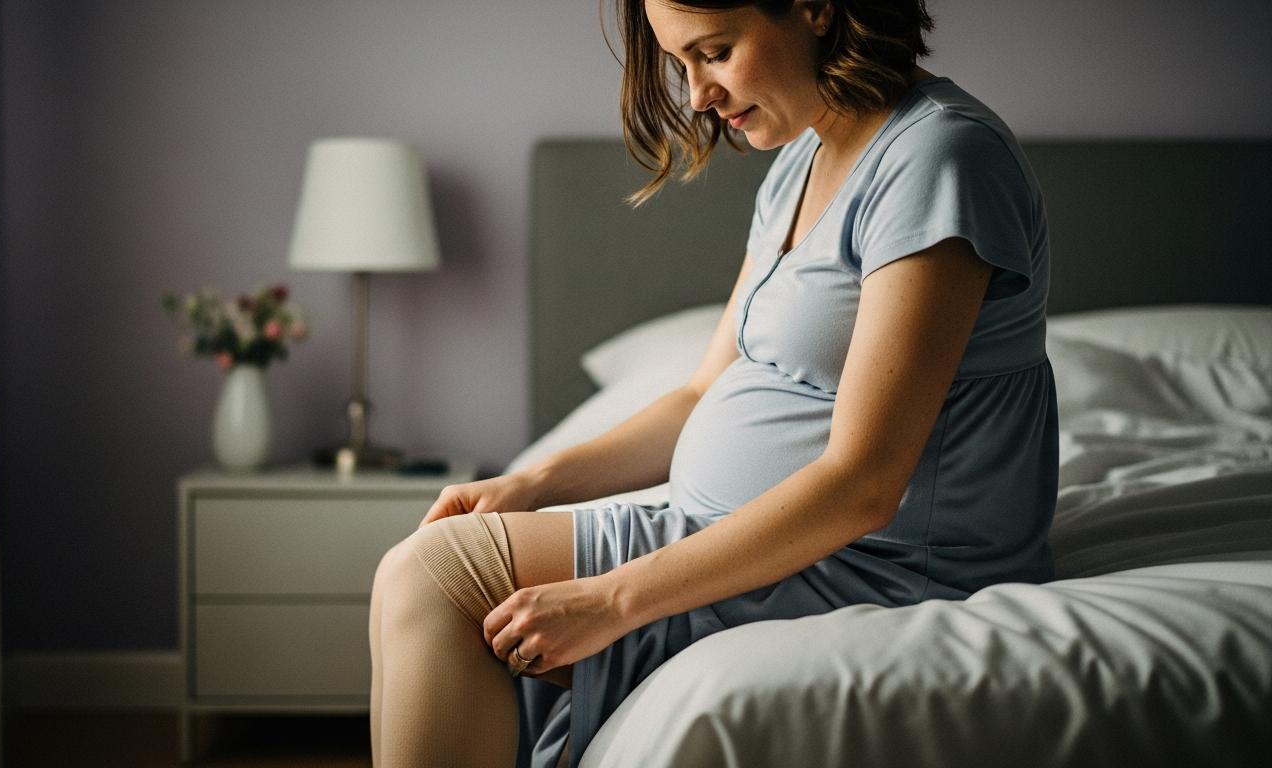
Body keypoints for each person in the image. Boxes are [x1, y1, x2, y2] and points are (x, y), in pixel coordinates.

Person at [368, 0, 1057, 765]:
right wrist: (533, 481)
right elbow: (700, 394)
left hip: (872, 565)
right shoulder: (801, 159)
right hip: (751, 534)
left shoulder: (940, 159)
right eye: (681, 65)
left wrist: (613, 598)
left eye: (717, 52)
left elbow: (865, 482)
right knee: (433, 566)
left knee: (438, 578)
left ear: (815, 7)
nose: (698, 96)